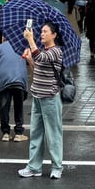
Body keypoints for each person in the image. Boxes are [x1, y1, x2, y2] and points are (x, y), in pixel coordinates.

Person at [18, 21, 65, 179]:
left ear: (54, 35)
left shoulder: (56, 51)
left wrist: (31, 41)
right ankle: (34, 167)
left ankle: (57, 166)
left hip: (50, 97)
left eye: (45, 31)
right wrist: (30, 60)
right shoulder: (42, 50)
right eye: (41, 31)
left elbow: (43, 58)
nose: (42, 34)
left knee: (53, 134)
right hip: (37, 95)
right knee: (36, 133)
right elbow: (38, 67)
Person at [0, 40, 28, 142]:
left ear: (3, 37)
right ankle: (19, 133)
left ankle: (5, 133)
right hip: (19, 80)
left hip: (4, 81)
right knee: (18, 106)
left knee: (4, 107)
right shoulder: (23, 46)